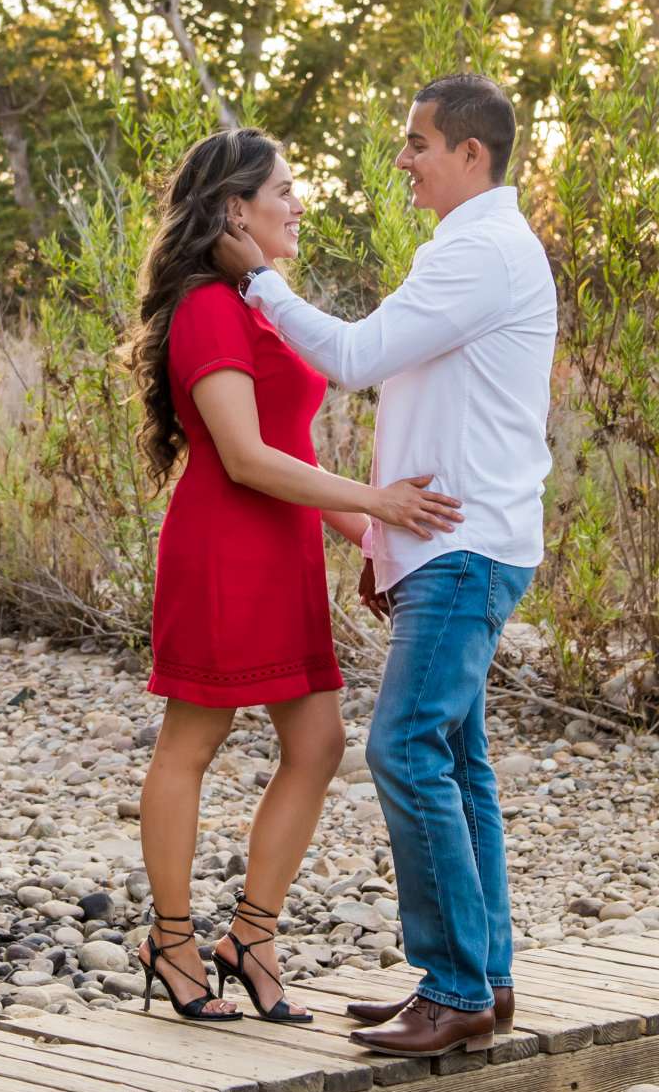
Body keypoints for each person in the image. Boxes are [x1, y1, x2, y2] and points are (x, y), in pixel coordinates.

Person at [214, 74, 557, 1057]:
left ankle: (452, 989)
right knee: (455, 759)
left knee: (402, 750)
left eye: (416, 144)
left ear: (470, 156)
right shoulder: (469, 248)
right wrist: (385, 539)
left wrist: (257, 282)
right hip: (452, 542)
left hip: (465, 546)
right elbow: (423, 400)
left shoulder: (483, 251)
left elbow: (357, 359)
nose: (402, 160)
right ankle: (480, 983)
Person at [132, 127, 464, 1023]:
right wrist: (381, 498)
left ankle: (251, 935)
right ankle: (170, 940)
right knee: (191, 745)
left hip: (282, 551)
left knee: (317, 747)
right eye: (284, 188)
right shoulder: (206, 307)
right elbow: (243, 457)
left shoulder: (263, 304)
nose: (299, 202)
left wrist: (370, 533)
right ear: (234, 208)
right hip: (222, 550)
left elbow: (292, 444)